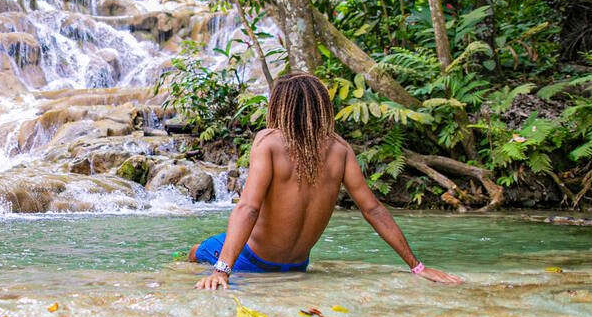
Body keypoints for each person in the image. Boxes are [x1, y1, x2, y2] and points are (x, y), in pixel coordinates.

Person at [191, 71, 463, 290]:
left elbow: (248, 208)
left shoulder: (268, 141)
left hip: (251, 260)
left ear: (279, 107)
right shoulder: (340, 149)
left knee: (194, 252)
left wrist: (221, 270)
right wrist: (418, 267)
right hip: (296, 266)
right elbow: (373, 209)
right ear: (320, 107)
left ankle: (207, 266)